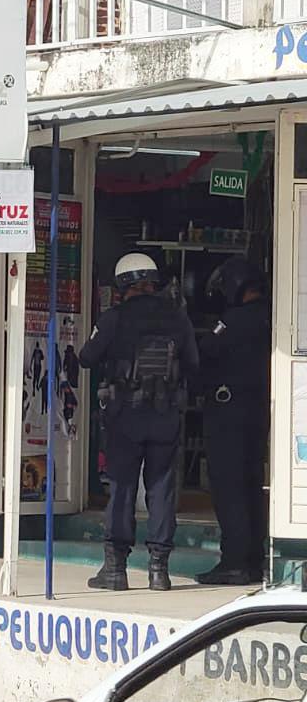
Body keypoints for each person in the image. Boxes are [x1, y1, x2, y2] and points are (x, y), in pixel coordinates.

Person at [80, 253, 198, 591]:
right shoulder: (177, 318)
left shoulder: (114, 318)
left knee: (122, 489)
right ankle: (159, 570)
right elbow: (194, 365)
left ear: (122, 284)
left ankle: (115, 569)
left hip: (125, 417)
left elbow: (87, 357)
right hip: (165, 416)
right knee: (161, 490)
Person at [196, 256, 270, 585]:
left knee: (230, 488)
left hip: (229, 414)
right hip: (258, 413)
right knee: (252, 485)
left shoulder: (235, 320)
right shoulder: (270, 318)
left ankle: (234, 562)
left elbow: (206, 350)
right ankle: (253, 560)